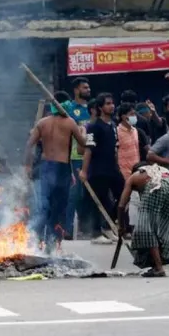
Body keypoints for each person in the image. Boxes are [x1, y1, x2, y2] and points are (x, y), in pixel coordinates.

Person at [24, 98, 86, 251]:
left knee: (44, 207)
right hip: (61, 168)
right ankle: (52, 244)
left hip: (45, 167)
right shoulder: (70, 122)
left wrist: (27, 165)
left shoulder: (42, 123)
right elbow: (81, 149)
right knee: (58, 209)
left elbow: (29, 145)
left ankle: (35, 241)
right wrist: (83, 133)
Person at [118, 163, 169, 277]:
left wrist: (121, 226)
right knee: (167, 225)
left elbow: (121, 205)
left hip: (155, 186)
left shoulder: (132, 179)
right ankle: (157, 263)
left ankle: (159, 267)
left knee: (146, 229)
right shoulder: (155, 171)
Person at [80, 93, 124, 245]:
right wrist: (84, 171)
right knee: (98, 201)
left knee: (123, 195)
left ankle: (108, 226)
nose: (111, 106)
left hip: (112, 169)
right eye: (107, 103)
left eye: (112, 103)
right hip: (98, 170)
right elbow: (88, 150)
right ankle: (96, 232)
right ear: (100, 107)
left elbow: (115, 150)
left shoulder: (113, 125)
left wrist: (117, 167)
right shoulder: (94, 127)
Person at [63, 77, 92, 239]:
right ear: (76, 90)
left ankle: (86, 229)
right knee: (74, 194)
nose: (88, 90)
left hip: (92, 156)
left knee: (88, 195)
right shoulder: (69, 108)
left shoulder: (93, 108)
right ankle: (67, 229)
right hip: (75, 157)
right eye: (84, 87)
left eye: (88, 87)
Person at [116, 103, 141, 181]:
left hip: (136, 171)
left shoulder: (135, 131)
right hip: (123, 173)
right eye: (132, 114)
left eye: (134, 114)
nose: (134, 116)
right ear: (124, 117)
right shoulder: (117, 132)